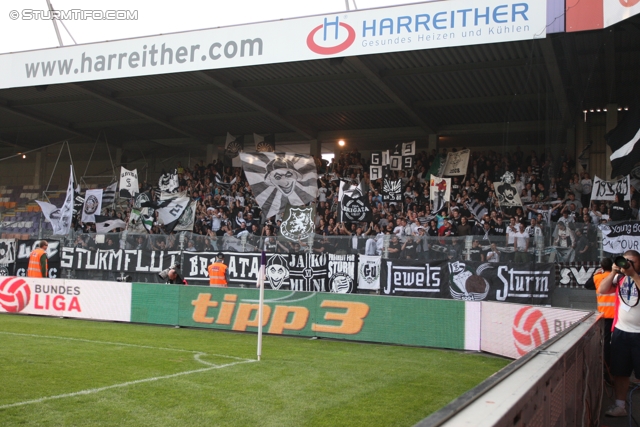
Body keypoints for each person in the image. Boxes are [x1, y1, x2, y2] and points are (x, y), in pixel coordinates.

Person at [599, 250, 640, 417]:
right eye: (626, 260)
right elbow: (602, 289)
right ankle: (620, 406)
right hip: (621, 331)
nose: (628, 264)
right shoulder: (620, 278)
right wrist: (615, 271)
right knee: (620, 371)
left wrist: (634, 275)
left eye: (633, 262)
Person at [584, 258, 614, 382]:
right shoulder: (615, 277)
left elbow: (587, 285)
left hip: (603, 315)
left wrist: (595, 274)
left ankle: (607, 366)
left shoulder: (597, 278)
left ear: (601, 267)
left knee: (606, 342)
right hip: (616, 315)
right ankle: (610, 367)